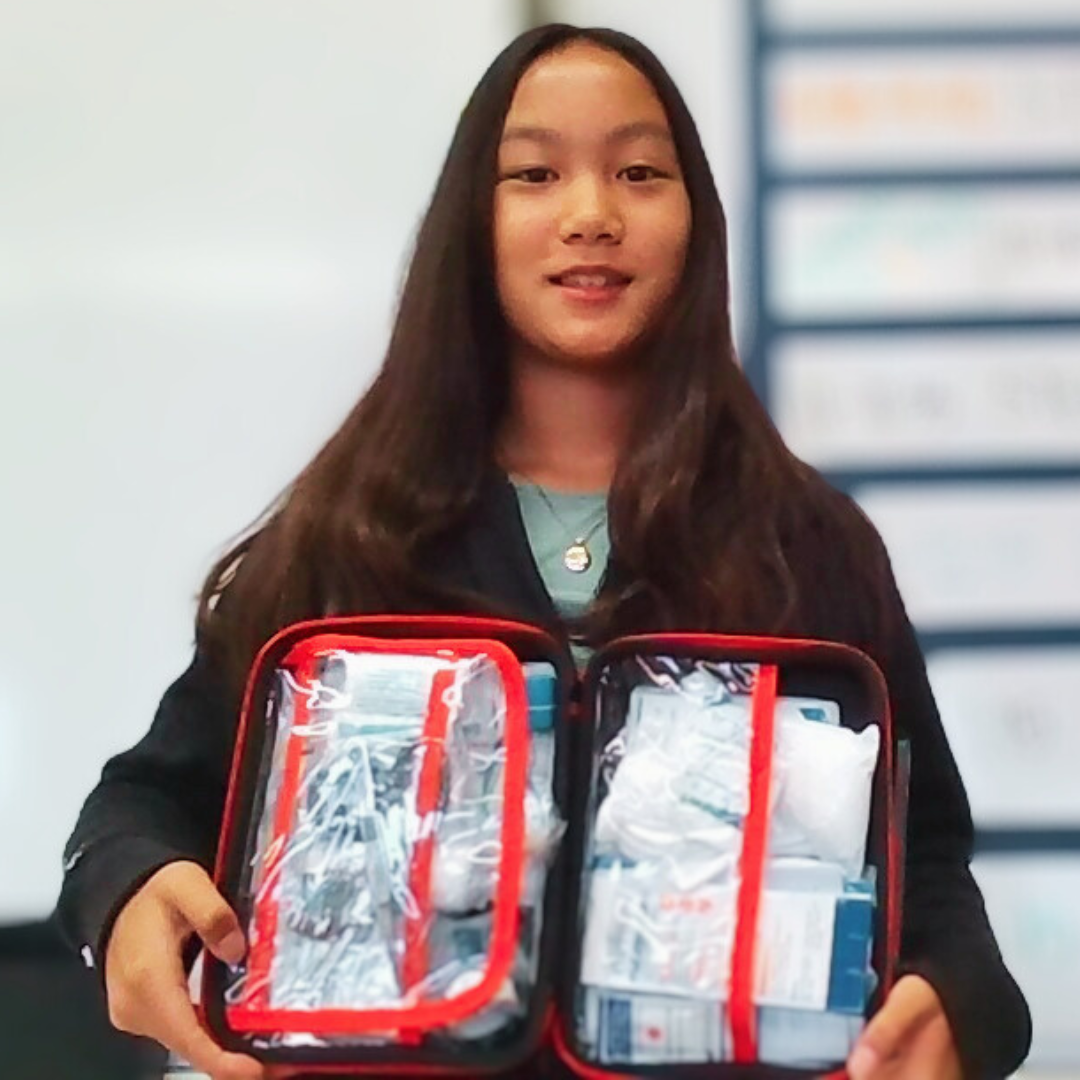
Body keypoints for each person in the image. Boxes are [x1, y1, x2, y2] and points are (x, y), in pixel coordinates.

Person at [57, 23, 1031, 1080]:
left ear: (696, 220)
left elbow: (926, 865)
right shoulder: (345, 537)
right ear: (470, 225)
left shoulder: (809, 547)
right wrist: (127, 892)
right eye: (534, 174)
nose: (590, 216)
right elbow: (145, 804)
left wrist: (956, 1004)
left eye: (638, 172)